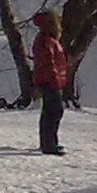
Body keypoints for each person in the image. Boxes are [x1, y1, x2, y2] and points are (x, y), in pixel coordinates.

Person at [31, 8, 70, 156]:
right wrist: (55, 79)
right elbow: (48, 63)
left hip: (49, 79)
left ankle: (49, 142)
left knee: (50, 110)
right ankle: (49, 144)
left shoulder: (46, 39)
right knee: (54, 110)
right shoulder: (46, 40)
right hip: (49, 80)